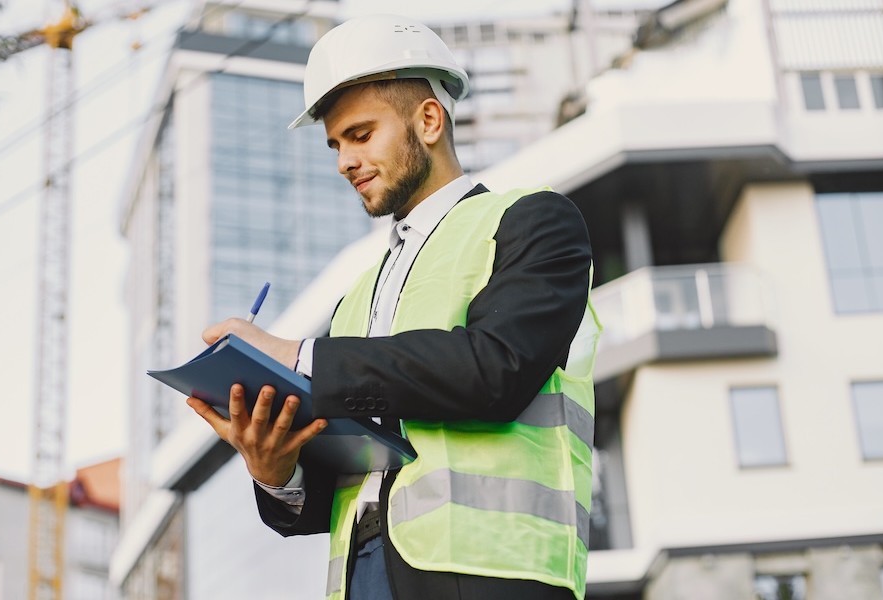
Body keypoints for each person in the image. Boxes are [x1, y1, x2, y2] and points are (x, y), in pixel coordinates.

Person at [186, 14, 600, 600]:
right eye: (335, 145)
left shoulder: (532, 221)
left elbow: (496, 370)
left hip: (493, 573)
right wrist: (277, 470)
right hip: (365, 576)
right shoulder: (356, 300)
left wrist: (297, 355)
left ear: (428, 120)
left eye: (360, 135)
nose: (343, 162)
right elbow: (345, 469)